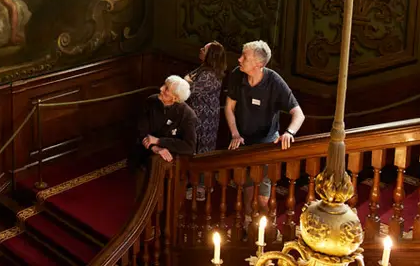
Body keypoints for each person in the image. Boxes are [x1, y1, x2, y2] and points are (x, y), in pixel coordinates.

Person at [224, 40, 305, 225]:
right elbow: (229, 107)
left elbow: (299, 114)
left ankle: (269, 228)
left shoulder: (274, 81)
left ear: (259, 64)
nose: (239, 59)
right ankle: (246, 227)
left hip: (267, 143)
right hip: (244, 143)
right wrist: (235, 134)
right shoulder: (237, 75)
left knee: (263, 197)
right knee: (247, 190)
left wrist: (289, 132)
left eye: (245, 57)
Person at [129, 76, 197, 198]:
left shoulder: (187, 115)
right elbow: (141, 132)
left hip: (171, 163)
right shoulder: (150, 101)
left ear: (175, 98)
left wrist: (160, 141)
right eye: (163, 85)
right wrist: (155, 148)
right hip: (145, 154)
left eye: (166, 89)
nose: (161, 89)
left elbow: (189, 146)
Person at [185, 40, 227, 201]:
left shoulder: (209, 75)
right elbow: (186, 81)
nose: (200, 50)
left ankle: (202, 187)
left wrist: (187, 81)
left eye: (204, 49)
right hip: (196, 117)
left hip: (205, 119)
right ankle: (195, 184)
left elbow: (188, 88)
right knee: (195, 149)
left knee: (203, 152)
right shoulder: (203, 69)